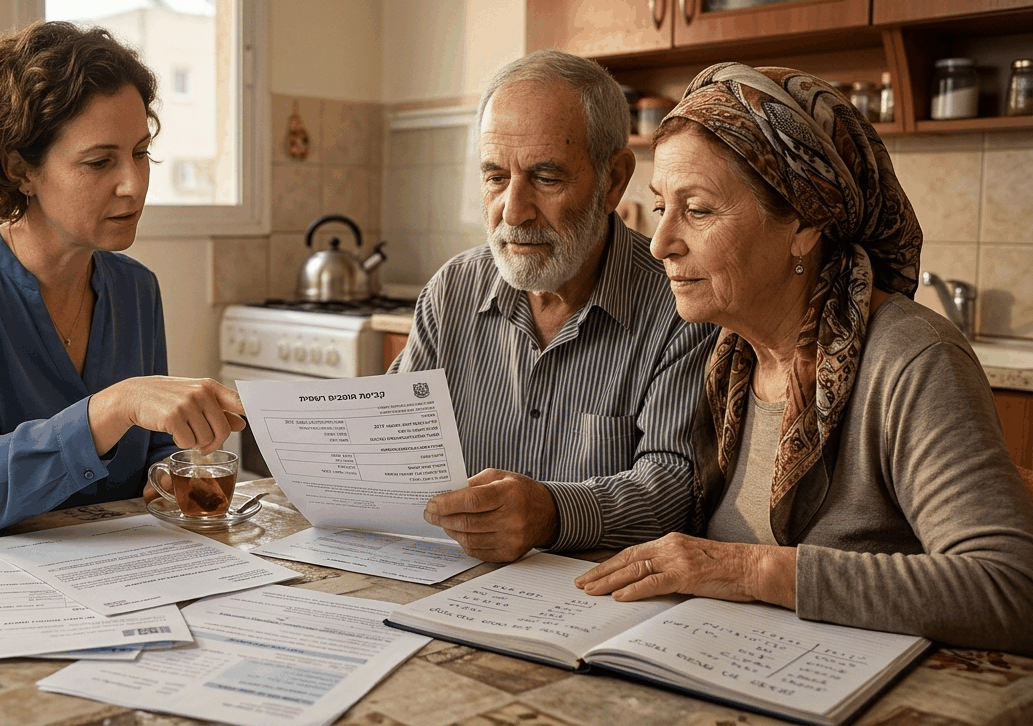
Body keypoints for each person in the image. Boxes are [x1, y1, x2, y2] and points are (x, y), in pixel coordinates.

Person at [577, 63, 1033, 654]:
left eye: (699, 209)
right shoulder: (727, 356)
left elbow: (1010, 589)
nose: (661, 242)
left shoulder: (913, 360)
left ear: (804, 224)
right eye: (662, 206)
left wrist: (749, 571)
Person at [0, 21, 244, 536]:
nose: (133, 186)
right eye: (99, 162)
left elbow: (151, 455)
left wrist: (169, 469)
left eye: (141, 153)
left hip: (87, 571)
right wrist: (119, 403)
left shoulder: (137, 289)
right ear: (20, 169)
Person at [391, 50, 717, 563]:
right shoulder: (450, 291)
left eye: (546, 179)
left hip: (590, 606)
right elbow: (392, 439)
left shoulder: (680, 307)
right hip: (447, 585)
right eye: (496, 177)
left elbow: (676, 491)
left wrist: (552, 512)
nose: (514, 212)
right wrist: (259, 417)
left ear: (613, 181)